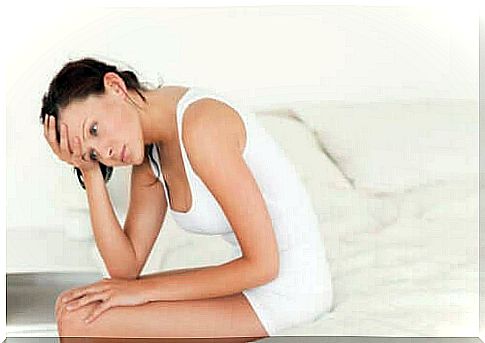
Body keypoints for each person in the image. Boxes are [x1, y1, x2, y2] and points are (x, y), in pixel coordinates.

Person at [41, 57, 334, 339]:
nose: (104, 152)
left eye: (95, 129)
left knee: (83, 321)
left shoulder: (200, 126)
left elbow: (263, 265)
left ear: (116, 87)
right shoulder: (149, 151)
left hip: (292, 289)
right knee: (73, 307)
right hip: (255, 284)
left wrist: (143, 292)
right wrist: (88, 170)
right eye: (93, 151)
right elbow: (124, 268)